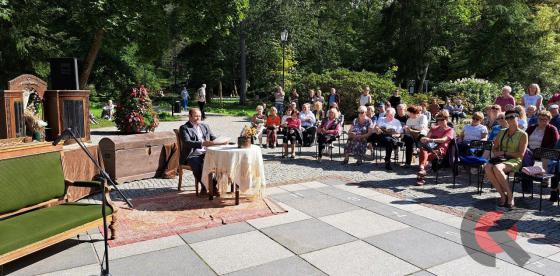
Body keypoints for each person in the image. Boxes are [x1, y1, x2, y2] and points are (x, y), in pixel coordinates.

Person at [484, 110, 528, 209]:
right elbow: (494, 148)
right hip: (502, 159)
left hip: (515, 160)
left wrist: (504, 152)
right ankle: (503, 196)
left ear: (518, 118)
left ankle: (510, 196)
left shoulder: (522, 134)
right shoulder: (502, 132)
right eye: (506, 118)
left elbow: (521, 154)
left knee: (497, 168)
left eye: (511, 117)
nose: (509, 119)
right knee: (487, 167)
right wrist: (496, 152)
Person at [179, 108, 228, 194]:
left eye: (200, 116)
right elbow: (187, 143)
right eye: (196, 116)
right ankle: (209, 187)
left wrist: (222, 141)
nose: (198, 118)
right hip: (192, 154)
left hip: (207, 153)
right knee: (198, 166)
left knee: (222, 163)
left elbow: (213, 138)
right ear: (189, 116)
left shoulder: (205, 126)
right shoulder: (184, 128)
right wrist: (202, 143)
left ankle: (210, 185)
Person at [416, 112, 455, 186]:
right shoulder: (434, 128)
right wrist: (423, 139)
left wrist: (431, 140)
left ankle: (421, 172)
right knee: (423, 150)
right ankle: (422, 171)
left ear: (447, 119)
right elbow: (427, 138)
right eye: (438, 120)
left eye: (442, 120)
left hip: (439, 150)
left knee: (424, 154)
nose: (440, 122)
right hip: (429, 148)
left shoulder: (450, 130)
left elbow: (443, 140)